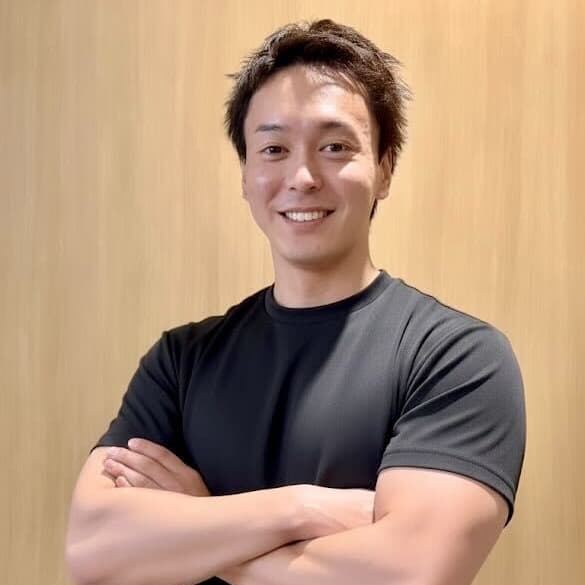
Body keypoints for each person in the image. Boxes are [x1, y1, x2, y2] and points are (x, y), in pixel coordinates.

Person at [65, 19, 526, 585]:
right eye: (274, 149)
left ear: (384, 170)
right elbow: (93, 550)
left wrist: (202, 526)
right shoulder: (181, 361)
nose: (302, 177)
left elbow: (410, 574)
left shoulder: (455, 357)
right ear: (246, 174)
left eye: (335, 147)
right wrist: (300, 508)